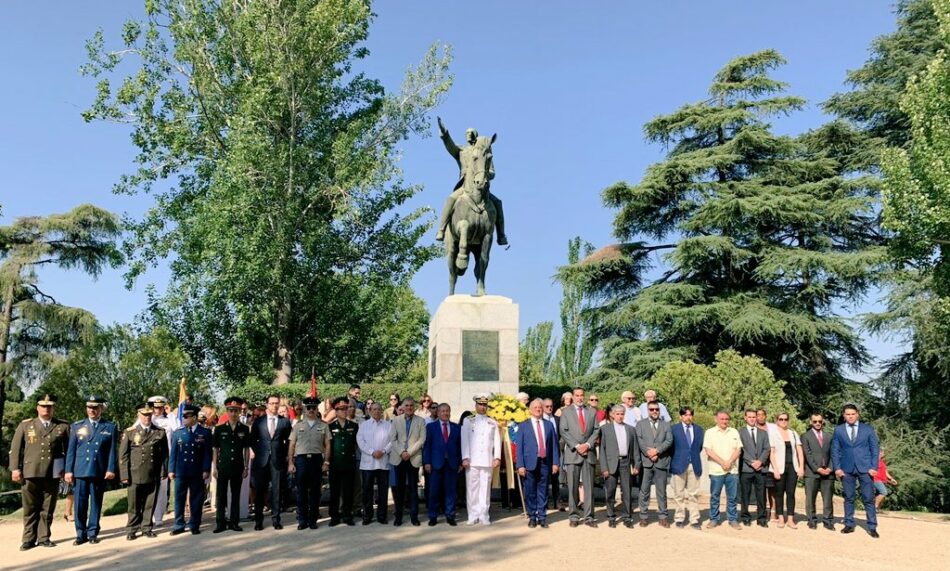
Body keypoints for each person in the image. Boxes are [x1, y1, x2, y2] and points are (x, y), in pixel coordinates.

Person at [9, 393, 70, 551]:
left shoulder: (62, 426)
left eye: (49, 406)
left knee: (48, 507)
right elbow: (15, 450)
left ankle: (44, 537)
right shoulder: (26, 425)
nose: (46, 409)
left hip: (53, 472)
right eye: (43, 406)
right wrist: (15, 469)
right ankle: (28, 539)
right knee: (30, 507)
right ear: (37, 407)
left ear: (53, 408)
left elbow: (69, 450)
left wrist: (68, 469)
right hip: (30, 472)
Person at [435, 116, 508, 246]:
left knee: (498, 202)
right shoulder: (462, 151)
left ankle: (501, 235)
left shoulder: (484, 152)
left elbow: (492, 172)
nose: (468, 135)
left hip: (482, 187)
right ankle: (441, 229)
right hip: (465, 186)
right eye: (466, 133)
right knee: (451, 199)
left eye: (470, 132)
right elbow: (450, 146)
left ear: (475, 135)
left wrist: (485, 174)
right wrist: (444, 134)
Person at [65, 395, 119, 545]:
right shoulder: (77, 426)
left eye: (95, 408)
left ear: (101, 408)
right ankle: (80, 533)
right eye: (89, 407)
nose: (92, 410)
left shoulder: (110, 427)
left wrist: (110, 469)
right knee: (80, 504)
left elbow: (112, 451)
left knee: (96, 503)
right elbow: (71, 451)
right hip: (80, 470)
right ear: (86, 408)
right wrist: (68, 470)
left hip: (98, 471)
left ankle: (93, 532)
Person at [120, 403, 169, 540]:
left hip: (153, 472)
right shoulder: (130, 432)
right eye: (144, 415)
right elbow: (123, 455)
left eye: (149, 414)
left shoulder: (159, 432)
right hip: (135, 472)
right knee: (134, 503)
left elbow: (165, 454)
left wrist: (163, 471)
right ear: (138, 415)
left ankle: (147, 527)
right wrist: (124, 474)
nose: (147, 417)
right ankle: (132, 528)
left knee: (150, 502)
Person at [832, 403, 881, 538]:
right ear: (844, 415)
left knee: (868, 498)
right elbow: (835, 450)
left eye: (853, 414)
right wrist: (837, 468)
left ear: (857, 414)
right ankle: (849, 524)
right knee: (849, 497)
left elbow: (874, 449)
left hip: (865, 468)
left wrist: (873, 467)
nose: (850, 416)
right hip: (846, 469)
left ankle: (872, 526)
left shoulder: (868, 429)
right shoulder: (839, 430)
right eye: (847, 414)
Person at [250, 393, 292, 530]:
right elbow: (252, 440)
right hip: (261, 461)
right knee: (260, 490)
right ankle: (258, 521)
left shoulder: (284, 422)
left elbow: (289, 441)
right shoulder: (259, 421)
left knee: (277, 490)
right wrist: (259, 451)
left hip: (278, 460)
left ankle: (276, 520)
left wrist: (284, 453)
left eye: (276, 403)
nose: (274, 405)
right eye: (272, 403)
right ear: (267, 404)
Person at [169, 404, 212, 535]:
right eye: (183, 417)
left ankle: (194, 524)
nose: (184, 419)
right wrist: (171, 469)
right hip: (181, 471)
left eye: (186, 417)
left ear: (194, 418)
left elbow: (207, 453)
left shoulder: (204, 432)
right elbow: (174, 453)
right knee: (179, 498)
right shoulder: (178, 433)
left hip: (197, 471)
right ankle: (179, 524)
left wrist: (206, 469)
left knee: (196, 498)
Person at [516, 398, 560, 528]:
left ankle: (542, 516)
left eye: (540, 407)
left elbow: (554, 446)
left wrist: (555, 463)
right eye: (535, 407)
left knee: (543, 490)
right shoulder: (523, 425)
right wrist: (520, 465)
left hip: (545, 463)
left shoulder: (548, 425)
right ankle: (532, 517)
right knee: (530, 491)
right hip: (529, 464)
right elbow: (520, 448)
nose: (538, 409)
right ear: (530, 410)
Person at [288, 395, 330, 530]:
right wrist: (290, 462)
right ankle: (302, 520)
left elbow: (327, 445)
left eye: (313, 407)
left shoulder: (323, 426)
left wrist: (326, 462)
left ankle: (313, 520)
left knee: (315, 492)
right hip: (301, 460)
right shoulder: (298, 426)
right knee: (301, 492)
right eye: (309, 408)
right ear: (305, 410)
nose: (311, 410)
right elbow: (292, 445)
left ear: (317, 409)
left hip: (317, 460)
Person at [559, 387, 598, 527]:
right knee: (573, 487)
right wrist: (576, 446)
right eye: (577, 395)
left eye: (582, 395)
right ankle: (574, 516)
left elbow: (596, 430)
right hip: (573, 453)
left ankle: (589, 517)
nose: (580, 398)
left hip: (588, 453)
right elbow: (563, 431)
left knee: (589, 487)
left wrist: (587, 445)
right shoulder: (566, 412)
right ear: (573, 397)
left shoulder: (592, 412)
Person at [461, 393, 502, 525]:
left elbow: (497, 440)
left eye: (485, 405)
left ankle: (484, 514)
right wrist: (465, 457)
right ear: (476, 405)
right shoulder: (468, 421)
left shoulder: (492, 422)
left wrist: (497, 457)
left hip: (486, 460)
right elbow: (464, 440)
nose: (483, 407)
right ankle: (472, 515)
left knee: (485, 489)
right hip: (472, 460)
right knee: (472, 488)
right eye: (480, 404)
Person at [212, 397, 250, 533]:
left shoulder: (245, 429)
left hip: (238, 466)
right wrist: (215, 467)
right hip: (223, 466)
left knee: (235, 495)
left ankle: (234, 522)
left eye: (236, 410)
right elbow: (216, 449)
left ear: (240, 411)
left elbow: (246, 449)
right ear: (227, 411)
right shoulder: (219, 429)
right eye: (231, 410)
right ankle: (220, 522)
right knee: (221, 495)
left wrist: (246, 467)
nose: (233, 413)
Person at [634, 400, 673, 527]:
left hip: (661, 461)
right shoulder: (640, 424)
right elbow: (639, 441)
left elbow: (669, 440)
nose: (654, 411)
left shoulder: (666, 424)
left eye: (657, 409)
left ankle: (663, 516)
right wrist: (648, 453)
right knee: (644, 491)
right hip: (646, 463)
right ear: (647, 410)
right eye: (652, 409)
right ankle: (644, 516)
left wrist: (657, 451)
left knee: (661, 491)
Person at [599, 405, 639, 528]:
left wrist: (637, 464)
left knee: (627, 491)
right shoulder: (605, 429)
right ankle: (611, 516)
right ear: (612, 415)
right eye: (617, 414)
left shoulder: (631, 429)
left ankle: (627, 517)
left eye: (622, 414)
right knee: (610, 491)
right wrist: (604, 468)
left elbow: (635, 449)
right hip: (611, 464)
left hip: (625, 463)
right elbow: (602, 450)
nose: (620, 416)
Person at [389, 397, 426, 526]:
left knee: (413, 489)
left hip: (413, 458)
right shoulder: (395, 420)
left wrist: (409, 452)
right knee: (399, 489)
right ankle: (398, 517)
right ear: (402, 407)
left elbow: (421, 439)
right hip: (399, 458)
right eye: (407, 405)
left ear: (414, 407)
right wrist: (401, 452)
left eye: (411, 405)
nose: (409, 407)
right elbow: (392, 439)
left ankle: (414, 517)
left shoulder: (420, 421)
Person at [423, 403, 462, 526]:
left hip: (451, 464)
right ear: (438, 413)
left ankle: (450, 515)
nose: (445, 413)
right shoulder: (430, 427)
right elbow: (427, 446)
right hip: (435, 464)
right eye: (443, 411)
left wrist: (460, 461)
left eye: (447, 411)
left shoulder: (456, 428)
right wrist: (427, 462)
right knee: (434, 491)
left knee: (450, 491)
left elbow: (460, 446)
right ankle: (433, 516)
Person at [704, 410, 742, 528]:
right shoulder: (710, 432)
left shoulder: (734, 432)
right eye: (722, 419)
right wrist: (722, 463)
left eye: (726, 419)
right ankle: (714, 519)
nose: (725, 421)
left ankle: (733, 519)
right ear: (716, 419)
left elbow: (738, 450)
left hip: (732, 470)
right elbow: (708, 451)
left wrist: (729, 462)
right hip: (716, 470)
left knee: (732, 497)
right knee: (715, 496)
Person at [327, 396, 360, 526]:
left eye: (346, 408)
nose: (344, 411)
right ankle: (334, 516)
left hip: (348, 462)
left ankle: (347, 515)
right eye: (340, 409)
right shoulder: (330, 427)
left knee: (348, 491)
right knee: (334, 491)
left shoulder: (354, 426)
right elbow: (327, 444)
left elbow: (357, 444)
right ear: (335, 410)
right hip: (335, 463)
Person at [357, 402, 392, 525]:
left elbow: (392, 440)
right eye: (374, 409)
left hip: (383, 462)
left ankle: (382, 516)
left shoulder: (388, 425)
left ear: (382, 411)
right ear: (370, 411)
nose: (377, 411)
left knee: (383, 492)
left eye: (379, 409)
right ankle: (367, 516)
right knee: (367, 491)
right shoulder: (364, 425)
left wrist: (383, 451)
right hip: (368, 464)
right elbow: (360, 441)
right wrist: (372, 452)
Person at [670, 406, 704, 529]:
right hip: (678, 464)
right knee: (678, 494)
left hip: (694, 464)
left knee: (693, 494)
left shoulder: (699, 430)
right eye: (685, 415)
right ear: (680, 417)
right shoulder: (674, 429)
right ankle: (679, 518)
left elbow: (698, 447)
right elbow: (671, 448)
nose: (687, 417)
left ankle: (694, 519)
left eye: (690, 415)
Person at [148, 395, 179, 528]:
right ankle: (148, 515)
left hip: (166, 457)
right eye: (155, 407)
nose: (158, 410)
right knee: (149, 487)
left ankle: (159, 517)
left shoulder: (170, 419)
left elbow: (178, 429)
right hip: (149, 457)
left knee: (162, 487)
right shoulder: (148, 418)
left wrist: (171, 414)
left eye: (160, 407)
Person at [769, 412, 804, 528]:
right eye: (781, 419)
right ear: (776, 420)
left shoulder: (793, 433)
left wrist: (801, 467)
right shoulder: (773, 434)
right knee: (779, 493)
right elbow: (772, 453)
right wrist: (775, 469)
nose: (783, 421)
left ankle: (790, 519)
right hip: (779, 468)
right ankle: (780, 518)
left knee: (791, 493)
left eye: (785, 419)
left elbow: (799, 451)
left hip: (792, 468)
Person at [801, 412, 835, 530]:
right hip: (812, 472)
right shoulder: (805, 436)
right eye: (815, 421)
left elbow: (834, 454)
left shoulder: (829, 436)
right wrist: (817, 468)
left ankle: (828, 520)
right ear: (811, 422)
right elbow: (807, 454)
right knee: (810, 497)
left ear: (823, 422)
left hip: (828, 472)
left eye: (820, 421)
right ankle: (812, 519)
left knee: (828, 498)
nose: (817, 424)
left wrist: (830, 468)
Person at [739, 409, 771, 527]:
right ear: (745, 418)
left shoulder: (763, 433)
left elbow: (767, 448)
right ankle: (745, 517)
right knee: (745, 494)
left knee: (761, 495)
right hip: (747, 468)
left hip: (761, 468)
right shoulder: (740, 432)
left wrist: (760, 461)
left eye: (754, 417)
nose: (752, 419)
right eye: (750, 417)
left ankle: (761, 519)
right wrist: (752, 462)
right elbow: (741, 449)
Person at [756, 407, 780, 522]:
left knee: (772, 488)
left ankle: (773, 511)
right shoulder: (753, 428)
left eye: (762, 415)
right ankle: (762, 512)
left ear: (765, 416)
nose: (760, 417)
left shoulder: (773, 427)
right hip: (759, 462)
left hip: (772, 461)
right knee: (760, 489)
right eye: (758, 415)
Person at [541, 398, 564, 510]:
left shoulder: (557, 419)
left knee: (556, 478)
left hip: (556, 451)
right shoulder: (539, 420)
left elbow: (562, 434)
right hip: (544, 452)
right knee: (544, 478)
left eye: (551, 406)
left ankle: (557, 502)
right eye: (547, 406)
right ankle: (544, 502)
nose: (549, 408)